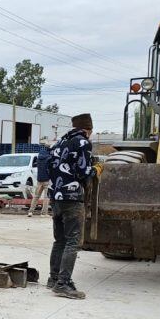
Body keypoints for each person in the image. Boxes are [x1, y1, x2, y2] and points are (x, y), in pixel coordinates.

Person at [46, 113, 101, 300]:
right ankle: (63, 284)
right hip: (72, 198)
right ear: (88, 129)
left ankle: (53, 279)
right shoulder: (83, 142)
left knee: (59, 240)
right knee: (72, 241)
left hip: (56, 197)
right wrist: (96, 170)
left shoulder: (58, 144)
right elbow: (82, 171)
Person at [27, 141, 52, 217]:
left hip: (39, 179)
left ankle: (30, 212)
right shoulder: (49, 157)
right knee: (46, 197)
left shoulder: (39, 156)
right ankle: (44, 213)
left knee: (36, 196)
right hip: (47, 179)